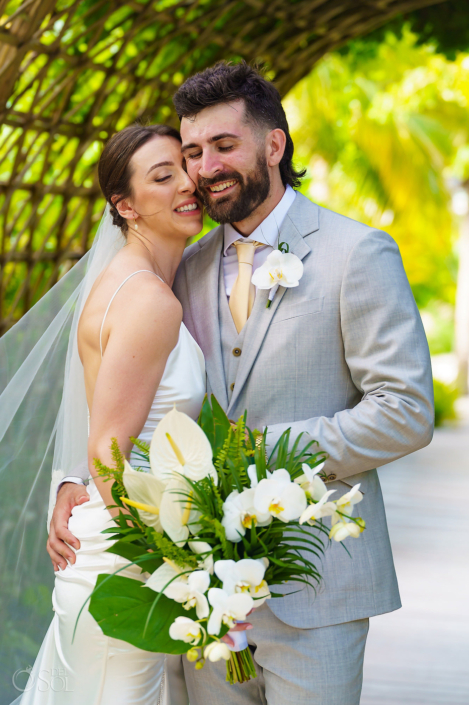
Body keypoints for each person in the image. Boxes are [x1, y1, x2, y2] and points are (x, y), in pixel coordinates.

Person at [51, 61, 434, 705]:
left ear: (273, 145)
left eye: (224, 146)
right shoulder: (183, 263)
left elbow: (405, 411)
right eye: (193, 152)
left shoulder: (356, 253)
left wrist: (260, 458)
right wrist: (76, 478)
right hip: (196, 601)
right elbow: (120, 382)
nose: (204, 169)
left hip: (317, 592)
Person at [9, 123, 206, 704]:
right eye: (162, 176)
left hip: (113, 539)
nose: (187, 183)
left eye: (185, 166)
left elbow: (103, 423)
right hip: (127, 559)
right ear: (125, 205)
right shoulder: (148, 298)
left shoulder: (129, 281)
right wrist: (170, 560)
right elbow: (108, 449)